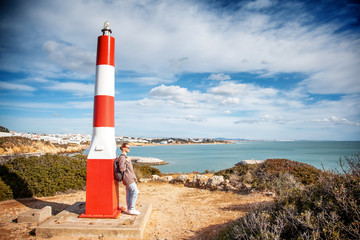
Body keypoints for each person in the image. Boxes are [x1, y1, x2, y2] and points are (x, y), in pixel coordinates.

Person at [118, 142, 140, 215]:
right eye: (128, 147)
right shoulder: (122, 157)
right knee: (135, 191)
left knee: (129, 193)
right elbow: (122, 168)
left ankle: (129, 209)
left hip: (129, 177)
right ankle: (132, 209)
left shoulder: (125, 157)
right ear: (124, 148)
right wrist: (127, 161)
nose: (129, 149)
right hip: (127, 177)